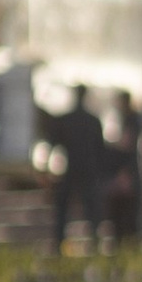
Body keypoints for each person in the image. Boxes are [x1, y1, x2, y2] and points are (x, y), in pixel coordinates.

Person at [50, 85, 111, 255]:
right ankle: (94, 241)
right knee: (90, 209)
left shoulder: (66, 119)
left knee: (66, 208)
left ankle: (61, 242)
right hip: (87, 170)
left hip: (73, 169)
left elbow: (54, 144)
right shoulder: (93, 121)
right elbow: (101, 151)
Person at [106, 94, 142, 247]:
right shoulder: (132, 119)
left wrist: (123, 171)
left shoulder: (130, 120)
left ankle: (128, 242)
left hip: (128, 170)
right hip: (130, 169)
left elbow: (127, 144)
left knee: (127, 211)